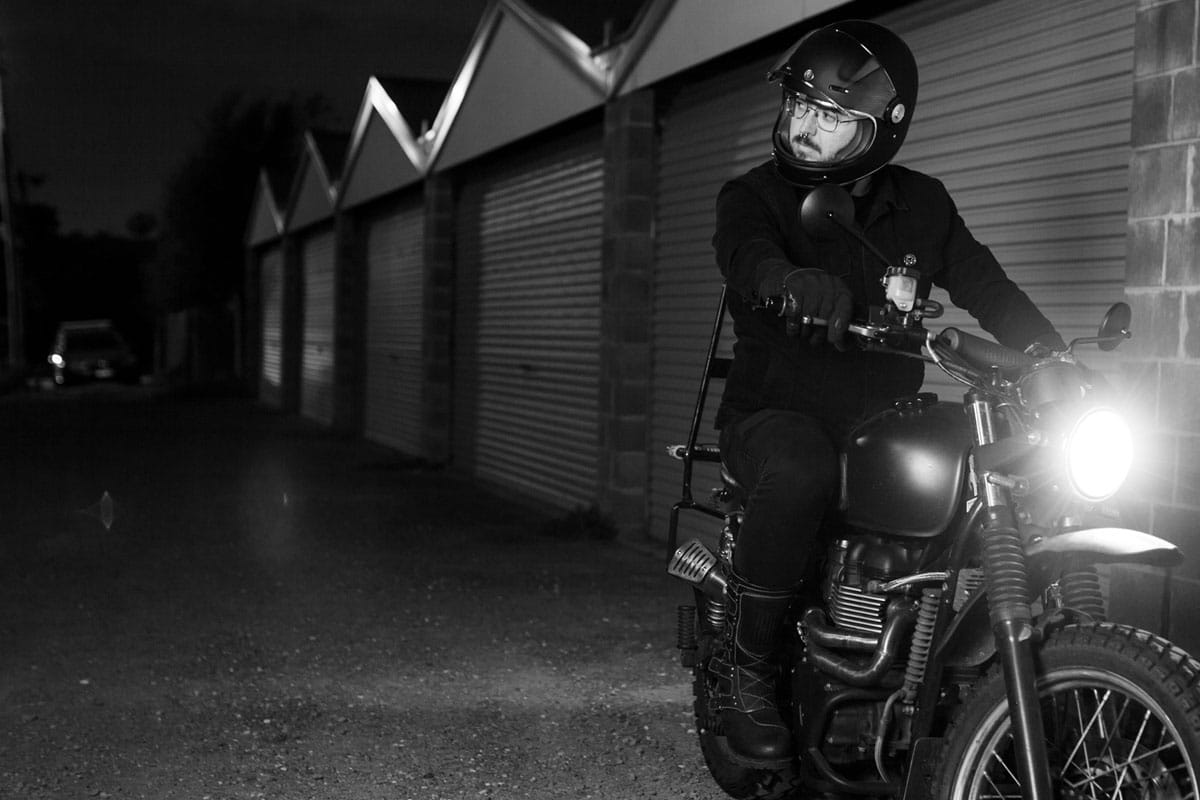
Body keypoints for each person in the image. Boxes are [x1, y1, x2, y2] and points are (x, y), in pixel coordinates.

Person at [710, 19, 1065, 767]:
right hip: (775, 414)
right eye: (797, 106)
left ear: (881, 129)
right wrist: (790, 281)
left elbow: (986, 286)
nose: (802, 127)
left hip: (881, 419)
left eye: (828, 116)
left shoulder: (923, 204)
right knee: (801, 467)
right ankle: (747, 675)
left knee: (1003, 462)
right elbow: (746, 256)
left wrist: (1051, 355)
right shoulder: (753, 195)